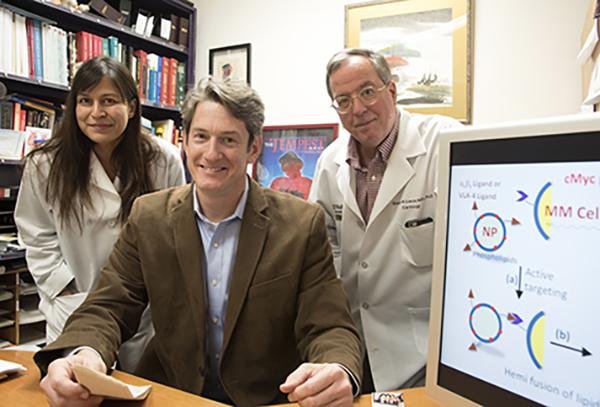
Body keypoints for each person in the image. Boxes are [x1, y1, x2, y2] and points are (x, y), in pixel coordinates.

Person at [33, 77, 362, 407]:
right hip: (172, 395)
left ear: (254, 148)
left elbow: (329, 325)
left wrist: (336, 369)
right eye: (201, 137)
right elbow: (108, 306)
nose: (211, 153)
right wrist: (84, 354)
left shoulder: (301, 224)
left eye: (229, 139)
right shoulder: (148, 216)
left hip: (267, 398)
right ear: (185, 142)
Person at [14, 56, 186, 373]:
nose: (97, 113)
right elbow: (36, 234)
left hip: (143, 313)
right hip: (73, 304)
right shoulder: (45, 163)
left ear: (132, 107)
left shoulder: (164, 159)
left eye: (109, 101)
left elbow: (175, 234)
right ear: (73, 106)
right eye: (85, 101)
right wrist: (65, 288)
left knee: (140, 390)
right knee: (76, 389)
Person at [309, 48, 463, 392]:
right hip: (352, 348)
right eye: (343, 100)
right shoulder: (329, 162)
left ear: (391, 91)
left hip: (427, 349)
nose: (358, 109)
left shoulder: (444, 141)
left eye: (367, 92)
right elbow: (322, 244)